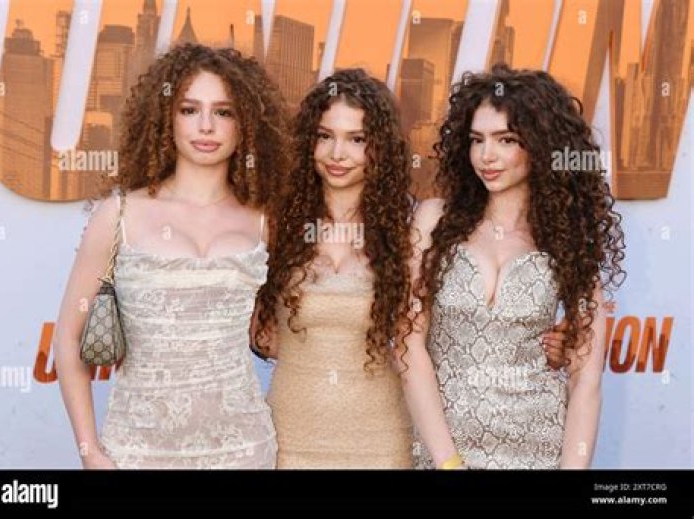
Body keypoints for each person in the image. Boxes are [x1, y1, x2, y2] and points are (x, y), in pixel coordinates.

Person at [253, 69, 568, 468]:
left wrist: (551, 341)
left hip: (383, 440)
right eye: (324, 136)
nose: (337, 154)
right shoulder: (273, 229)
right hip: (289, 436)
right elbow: (256, 335)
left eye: (357, 139)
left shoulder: (409, 231)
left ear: (380, 148)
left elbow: (441, 330)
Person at [54, 44, 291, 469]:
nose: (206, 125)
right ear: (166, 116)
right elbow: (68, 339)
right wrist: (89, 450)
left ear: (246, 124)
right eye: (189, 109)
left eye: (223, 112)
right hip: (137, 451)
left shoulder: (264, 222)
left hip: (243, 451)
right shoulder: (119, 215)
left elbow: (275, 334)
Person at [404, 64, 626, 469]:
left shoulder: (568, 239)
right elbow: (408, 346)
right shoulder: (434, 221)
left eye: (506, 140)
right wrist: (447, 462)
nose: (486, 156)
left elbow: (586, 379)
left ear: (540, 145)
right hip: (443, 451)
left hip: (537, 449)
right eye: (477, 140)